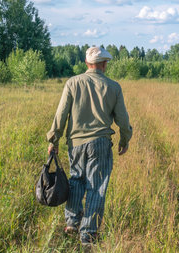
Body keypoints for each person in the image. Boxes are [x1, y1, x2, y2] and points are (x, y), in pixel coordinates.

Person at [46, 46, 133, 245]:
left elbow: (61, 114)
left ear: (87, 63)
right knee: (97, 187)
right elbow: (122, 119)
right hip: (101, 143)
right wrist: (124, 140)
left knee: (76, 180)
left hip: (76, 143)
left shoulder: (72, 83)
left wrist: (54, 139)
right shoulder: (113, 87)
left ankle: (71, 223)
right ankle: (88, 233)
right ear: (104, 64)